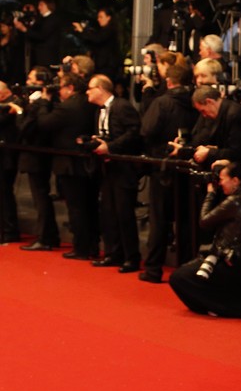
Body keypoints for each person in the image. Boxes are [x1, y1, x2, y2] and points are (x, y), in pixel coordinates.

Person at [169, 161, 241, 318]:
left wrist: (210, 194)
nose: (219, 183)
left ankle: (216, 308)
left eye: (222, 179)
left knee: (178, 278)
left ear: (235, 180)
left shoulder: (235, 201)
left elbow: (204, 221)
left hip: (228, 260)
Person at [139, 64, 200, 283]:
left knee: (159, 219)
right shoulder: (195, 102)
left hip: (163, 166)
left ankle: (154, 268)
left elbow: (146, 130)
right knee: (185, 219)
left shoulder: (162, 102)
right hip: (188, 166)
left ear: (169, 81)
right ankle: (184, 267)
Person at [35, 73, 98, 260]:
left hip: (70, 164)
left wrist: (45, 101)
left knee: (76, 207)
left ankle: (81, 248)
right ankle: (92, 246)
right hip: (87, 162)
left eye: (61, 87)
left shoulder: (67, 107)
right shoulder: (87, 103)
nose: (59, 91)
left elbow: (44, 123)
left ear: (70, 88)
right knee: (90, 205)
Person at [86, 74, 143, 273]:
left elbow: (134, 132)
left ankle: (131, 257)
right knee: (109, 213)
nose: (87, 92)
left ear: (101, 88)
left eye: (90, 88)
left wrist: (110, 147)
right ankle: (113, 253)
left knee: (124, 213)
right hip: (107, 168)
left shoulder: (122, 105)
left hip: (123, 167)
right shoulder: (98, 112)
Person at [15, 66, 60, 251]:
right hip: (38, 153)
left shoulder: (40, 103)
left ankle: (46, 237)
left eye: (31, 78)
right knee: (41, 197)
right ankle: (49, 236)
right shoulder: (41, 102)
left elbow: (24, 129)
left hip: (36, 154)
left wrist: (18, 111)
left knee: (41, 198)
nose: (27, 82)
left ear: (40, 82)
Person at [0, 81, 23, 242]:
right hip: (5, 155)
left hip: (7, 156)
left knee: (5, 193)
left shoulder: (15, 104)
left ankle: (9, 230)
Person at [14, 0, 63, 69]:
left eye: (41, 5)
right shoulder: (41, 20)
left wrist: (24, 29)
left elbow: (42, 35)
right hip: (39, 57)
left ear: (48, 5)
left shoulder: (52, 19)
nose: (39, 7)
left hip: (47, 58)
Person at [74, 8, 121, 82]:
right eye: (98, 17)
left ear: (108, 18)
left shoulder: (110, 30)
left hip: (107, 65)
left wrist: (82, 31)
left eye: (101, 17)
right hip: (100, 64)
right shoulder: (102, 30)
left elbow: (97, 39)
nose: (98, 19)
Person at [0, 18, 25, 84]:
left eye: (3, 26)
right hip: (2, 67)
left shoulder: (16, 40)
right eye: (1, 27)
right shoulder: (1, 38)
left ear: (10, 27)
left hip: (12, 68)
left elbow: (17, 58)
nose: (2, 29)